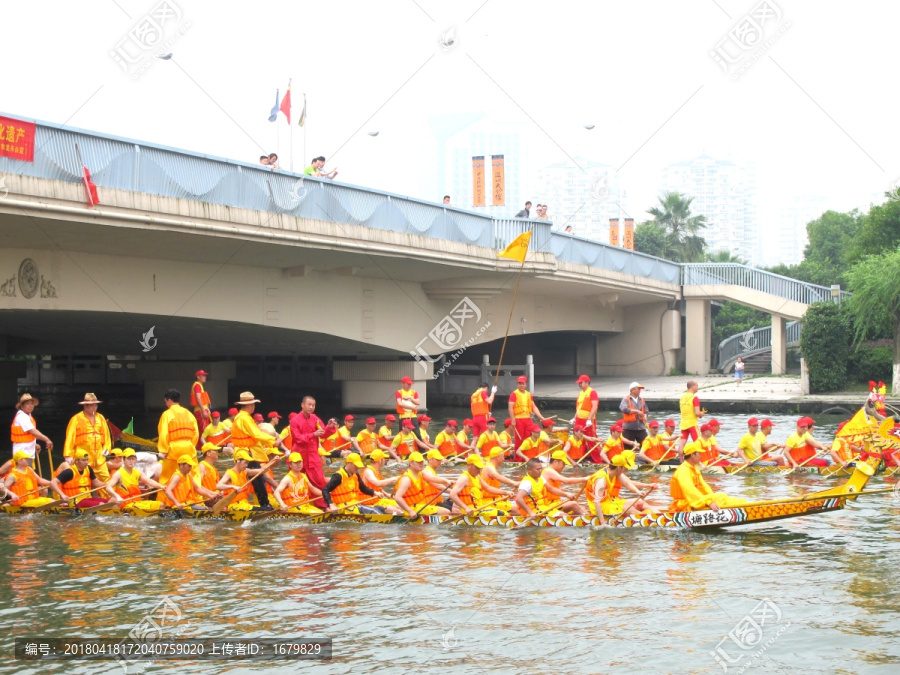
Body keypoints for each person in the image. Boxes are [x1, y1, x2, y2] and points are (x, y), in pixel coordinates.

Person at [231, 391, 287, 509]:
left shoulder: (243, 417)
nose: (254, 407)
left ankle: (263, 504)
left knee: (257, 477)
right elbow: (257, 434)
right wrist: (273, 441)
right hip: (244, 453)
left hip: (246, 452)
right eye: (253, 405)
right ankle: (264, 505)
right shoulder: (244, 418)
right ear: (250, 405)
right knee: (258, 478)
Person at [586, 450, 656, 525]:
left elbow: (627, 483)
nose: (626, 469)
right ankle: (651, 521)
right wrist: (602, 522)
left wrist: (638, 492)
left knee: (640, 502)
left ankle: (657, 515)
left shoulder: (615, 473)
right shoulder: (601, 480)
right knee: (629, 508)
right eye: (624, 467)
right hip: (598, 506)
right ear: (619, 468)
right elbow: (597, 502)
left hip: (610, 501)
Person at [669, 444, 745, 512]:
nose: (700, 456)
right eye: (699, 454)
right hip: (683, 504)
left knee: (720, 496)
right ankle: (743, 507)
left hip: (696, 500)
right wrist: (708, 502)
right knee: (720, 496)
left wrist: (712, 499)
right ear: (693, 455)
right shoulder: (683, 470)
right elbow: (690, 491)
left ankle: (743, 504)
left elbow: (704, 486)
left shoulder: (694, 468)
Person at [63, 392, 112, 482]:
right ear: (85, 406)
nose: (94, 407)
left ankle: (108, 496)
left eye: (95, 405)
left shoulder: (101, 418)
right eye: (91, 405)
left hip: (99, 458)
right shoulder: (76, 419)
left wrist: (106, 449)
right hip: (83, 459)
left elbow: (107, 436)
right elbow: (69, 438)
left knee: (107, 482)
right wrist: (68, 455)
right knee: (83, 482)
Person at [322, 452, 388, 514]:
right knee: (375, 512)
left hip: (354, 503)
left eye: (358, 465)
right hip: (344, 506)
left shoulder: (355, 475)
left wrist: (375, 493)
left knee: (381, 509)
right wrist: (331, 505)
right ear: (348, 463)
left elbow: (363, 488)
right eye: (355, 465)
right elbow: (325, 490)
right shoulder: (338, 476)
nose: (357, 468)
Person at [157, 389, 199, 485]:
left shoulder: (167, 414)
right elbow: (196, 433)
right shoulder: (189, 414)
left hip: (173, 449)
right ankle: (193, 497)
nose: (166, 404)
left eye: (166, 401)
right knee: (191, 474)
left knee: (168, 476)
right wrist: (191, 445)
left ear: (169, 400)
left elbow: (163, 433)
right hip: (188, 448)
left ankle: (167, 498)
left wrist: (163, 450)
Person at [514, 458, 580, 518]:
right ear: (529, 470)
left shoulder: (540, 478)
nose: (540, 471)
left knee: (567, 514)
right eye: (537, 469)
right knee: (563, 516)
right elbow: (518, 498)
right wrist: (530, 513)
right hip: (534, 512)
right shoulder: (527, 483)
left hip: (543, 508)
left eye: (541, 468)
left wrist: (566, 494)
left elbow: (551, 489)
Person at [393, 452, 451, 518]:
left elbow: (433, 478)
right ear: (411, 463)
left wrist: (446, 481)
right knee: (446, 512)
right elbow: (397, 497)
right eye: (418, 462)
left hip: (420, 506)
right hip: (412, 508)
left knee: (448, 510)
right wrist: (410, 511)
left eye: (422, 461)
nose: (421, 464)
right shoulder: (406, 479)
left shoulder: (421, 473)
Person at [11, 393, 52, 470]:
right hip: (22, 453)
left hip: (27, 452)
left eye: (31, 404)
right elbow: (33, 431)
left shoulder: (28, 416)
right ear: (22, 406)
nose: (30, 405)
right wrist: (47, 439)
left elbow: (27, 434)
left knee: (29, 474)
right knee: (25, 475)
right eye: (27, 404)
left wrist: (34, 444)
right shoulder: (22, 417)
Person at [541, 450, 589, 515]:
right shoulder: (549, 471)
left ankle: (587, 518)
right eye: (563, 463)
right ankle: (589, 520)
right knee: (574, 504)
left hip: (556, 503)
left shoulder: (553, 471)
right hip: (549, 505)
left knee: (582, 507)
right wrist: (584, 479)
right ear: (555, 462)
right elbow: (566, 480)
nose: (564, 466)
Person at [508, 375, 546, 449]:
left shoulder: (529, 394)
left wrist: (540, 417)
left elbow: (534, 407)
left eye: (523, 384)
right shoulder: (514, 394)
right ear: (517, 384)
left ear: (526, 384)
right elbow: (510, 408)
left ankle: (527, 454)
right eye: (519, 384)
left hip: (528, 418)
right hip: (518, 419)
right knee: (519, 439)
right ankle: (518, 459)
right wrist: (513, 420)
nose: (521, 385)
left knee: (528, 437)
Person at [675, 380, 703, 459]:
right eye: (697, 385)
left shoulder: (682, 397)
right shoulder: (695, 398)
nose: (697, 387)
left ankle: (681, 461)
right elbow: (697, 413)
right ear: (692, 386)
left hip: (683, 424)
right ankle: (700, 461)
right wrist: (702, 414)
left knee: (682, 442)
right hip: (692, 424)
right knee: (699, 443)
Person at [619, 382, 649, 449]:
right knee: (627, 448)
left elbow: (646, 411)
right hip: (629, 428)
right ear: (632, 390)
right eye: (638, 389)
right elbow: (624, 409)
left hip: (641, 428)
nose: (639, 391)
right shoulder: (626, 399)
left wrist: (645, 416)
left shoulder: (641, 400)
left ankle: (644, 457)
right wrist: (637, 411)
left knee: (645, 445)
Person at [573, 375, 599, 452]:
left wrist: (589, 419)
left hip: (588, 420)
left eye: (581, 382)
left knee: (591, 438)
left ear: (587, 383)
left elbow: (595, 406)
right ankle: (582, 454)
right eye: (579, 383)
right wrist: (574, 418)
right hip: (579, 419)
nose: (579, 384)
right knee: (579, 437)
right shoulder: (580, 393)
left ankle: (596, 457)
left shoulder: (592, 392)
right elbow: (579, 407)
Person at [190, 370, 212, 444]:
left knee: (204, 430)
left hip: (202, 409)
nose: (205, 377)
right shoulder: (197, 385)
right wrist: (203, 410)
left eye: (205, 375)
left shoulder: (199, 385)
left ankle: (201, 448)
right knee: (204, 430)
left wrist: (207, 409)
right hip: (200, 410)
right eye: (203, 376)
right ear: (198, 377)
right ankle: (204, 448)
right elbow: (198, 398)